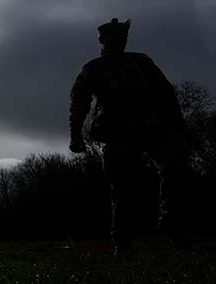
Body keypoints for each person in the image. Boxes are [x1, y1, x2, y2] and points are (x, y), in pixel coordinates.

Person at [69, 18, 188, 255]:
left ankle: (173, 230)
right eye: (114, 38)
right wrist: (75, 136)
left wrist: (178, 126)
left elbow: (166, 94)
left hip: (149, 126)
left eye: (122, 38)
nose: (119, 42)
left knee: (174, 166)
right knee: (123, 187)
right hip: (117, 131)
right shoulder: (93, 69)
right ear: (103, 40)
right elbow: (79, 103)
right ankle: (123, 243)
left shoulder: (141, 62)